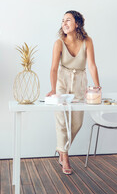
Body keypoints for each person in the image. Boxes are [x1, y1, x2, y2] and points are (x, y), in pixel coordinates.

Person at [47, 10, 100, 174]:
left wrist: (97, 86)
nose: (64, 23)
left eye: (68, 20)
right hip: (62, 82)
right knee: (61, 121)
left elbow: (91, 65)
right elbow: (54, 68)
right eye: (63, 20)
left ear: (77, 23)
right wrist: (54, 89)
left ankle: (61, 150)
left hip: (79, 83)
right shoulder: (59, 43)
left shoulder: (87, 41)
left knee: (77, 122)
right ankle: (65, 157)